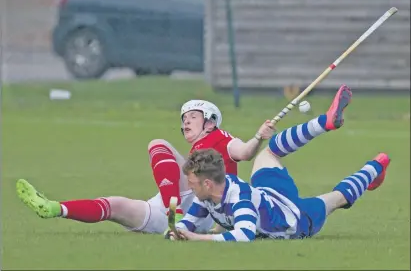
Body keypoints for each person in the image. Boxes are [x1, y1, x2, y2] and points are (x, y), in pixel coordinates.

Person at [168, 85, 391, 242]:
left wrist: (198, 238)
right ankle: (328, 126)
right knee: (269, 153)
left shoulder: (238, 197)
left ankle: (375, 166)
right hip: (268, 194)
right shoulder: (206, 196)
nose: (190, 187)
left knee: (336, 199)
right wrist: (177, 231)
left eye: (193, 117)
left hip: (295, 219)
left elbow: (244, 235)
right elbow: (188, 221)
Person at [16, 99, 275, 234]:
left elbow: (245, 153)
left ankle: (176, 213)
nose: (185, 122)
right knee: (115, 205)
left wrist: (259, 136)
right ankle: (54, 208)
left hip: (201, 210)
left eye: (193, 117)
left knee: (158, 143)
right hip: (180, 208)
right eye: (183, 119)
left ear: (210, 123)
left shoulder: (222, 138)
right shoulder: (195, 152)